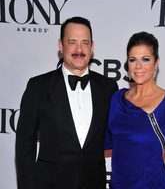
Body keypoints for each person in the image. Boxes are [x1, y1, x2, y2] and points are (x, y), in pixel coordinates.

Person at [16, 16, 118, 189]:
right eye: (72, 42)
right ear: (60, 45)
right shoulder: (38, 87)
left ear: (92, 47)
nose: (79, 49)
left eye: (85, 42)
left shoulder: (108, 88)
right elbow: (25, 145)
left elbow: (120, 136)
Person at [105, 32, 165, 189]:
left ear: (156, 62)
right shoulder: (116, 99)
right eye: (132, 59)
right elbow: (103, 142)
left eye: (145, 59)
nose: (138, 66)